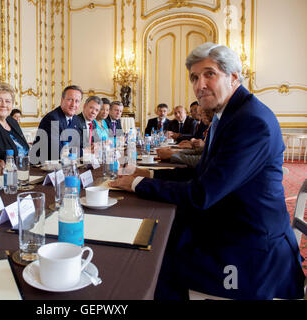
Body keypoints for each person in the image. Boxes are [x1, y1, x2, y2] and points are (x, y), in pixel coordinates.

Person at [110, 42, 305, 300]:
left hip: (251, 253)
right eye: (194, 77)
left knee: (151, 264)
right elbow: (201, 173)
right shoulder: (229, 114)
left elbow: (202, 193)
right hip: (230, 227)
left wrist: (136, 185)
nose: (199, 85)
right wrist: (149, 175)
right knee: (157, 240)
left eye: (209, 74)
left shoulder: (251, 121)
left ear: (234, 76)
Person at [31, 85, 84, 162]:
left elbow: (80, 145)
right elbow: (58, 152)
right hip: (43, 168)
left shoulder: (76, 119)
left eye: (77, 101)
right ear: (62, 100)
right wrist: (85, 151)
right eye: (70, 100)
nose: (73, 104)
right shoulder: (52, 119)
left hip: (64, 164)